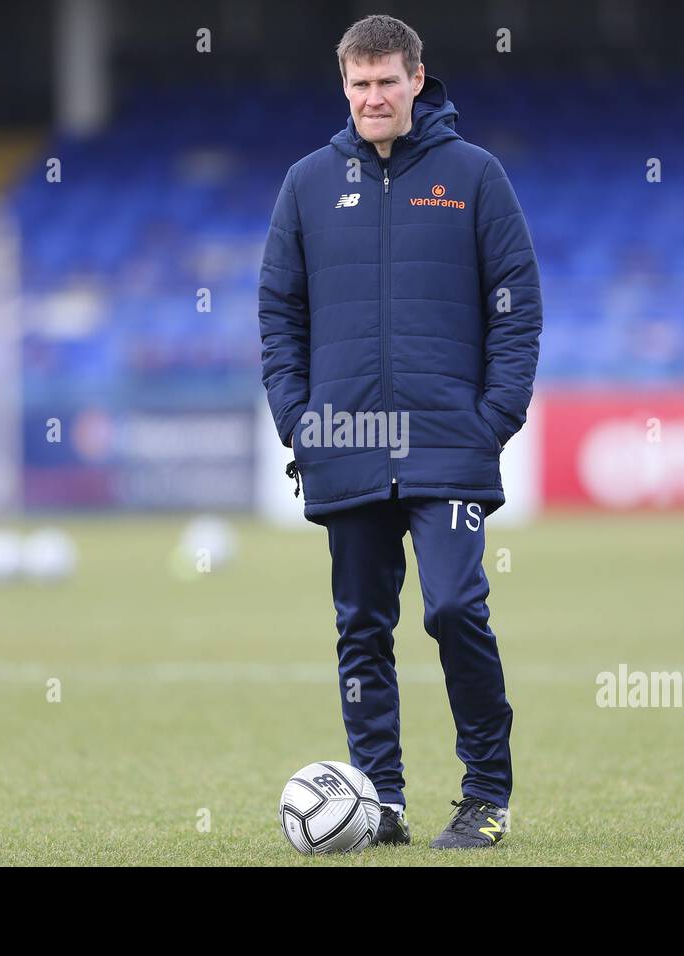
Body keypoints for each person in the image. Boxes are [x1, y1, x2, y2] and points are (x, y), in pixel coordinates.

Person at [258, 13, 541, 849]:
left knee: (455, 608)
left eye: (388, 82)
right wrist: (299, 422)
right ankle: (378, 801)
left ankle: (486, 795)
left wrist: (492, 419)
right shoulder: (307, 183)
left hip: (449, 443)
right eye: (359, 84)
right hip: (343, 445)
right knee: (360, 628)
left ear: (418, 79)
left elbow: (517, 308)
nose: (373, 97)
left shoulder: (475, 175)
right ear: (343, 86)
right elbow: (280, 313)